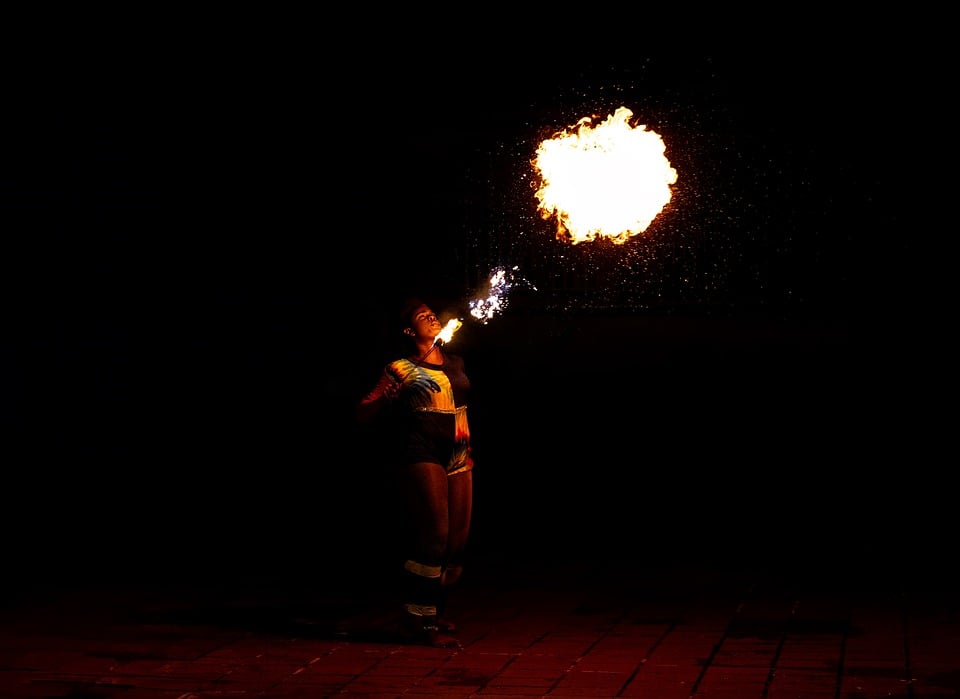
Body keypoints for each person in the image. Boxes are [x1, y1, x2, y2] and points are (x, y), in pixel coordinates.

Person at [355, 296, 474, 648]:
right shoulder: (400, 367)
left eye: (432, 313)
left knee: (456, 545)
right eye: (422, 316)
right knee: (435, 535)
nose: (431, 317)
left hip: (460, 451)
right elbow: (362, 412)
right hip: (421, 450)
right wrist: (382, 399)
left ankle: (434, 613)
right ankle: (415, 620)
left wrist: (470, 451)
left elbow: (462, 406)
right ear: (410, 330)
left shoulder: (456, 361)